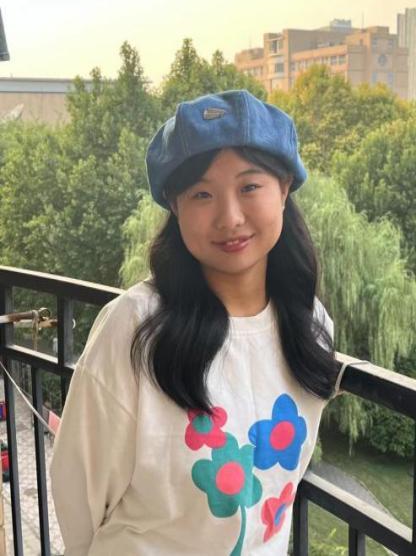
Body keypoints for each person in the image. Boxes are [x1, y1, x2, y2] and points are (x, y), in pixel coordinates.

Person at [50, 89, 342, 555]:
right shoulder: (136, 328)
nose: (230, 217)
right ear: (175, 205)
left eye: (249, 187)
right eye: (202, 194)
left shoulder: (310, 325)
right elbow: (78, 497)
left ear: (285, 187)